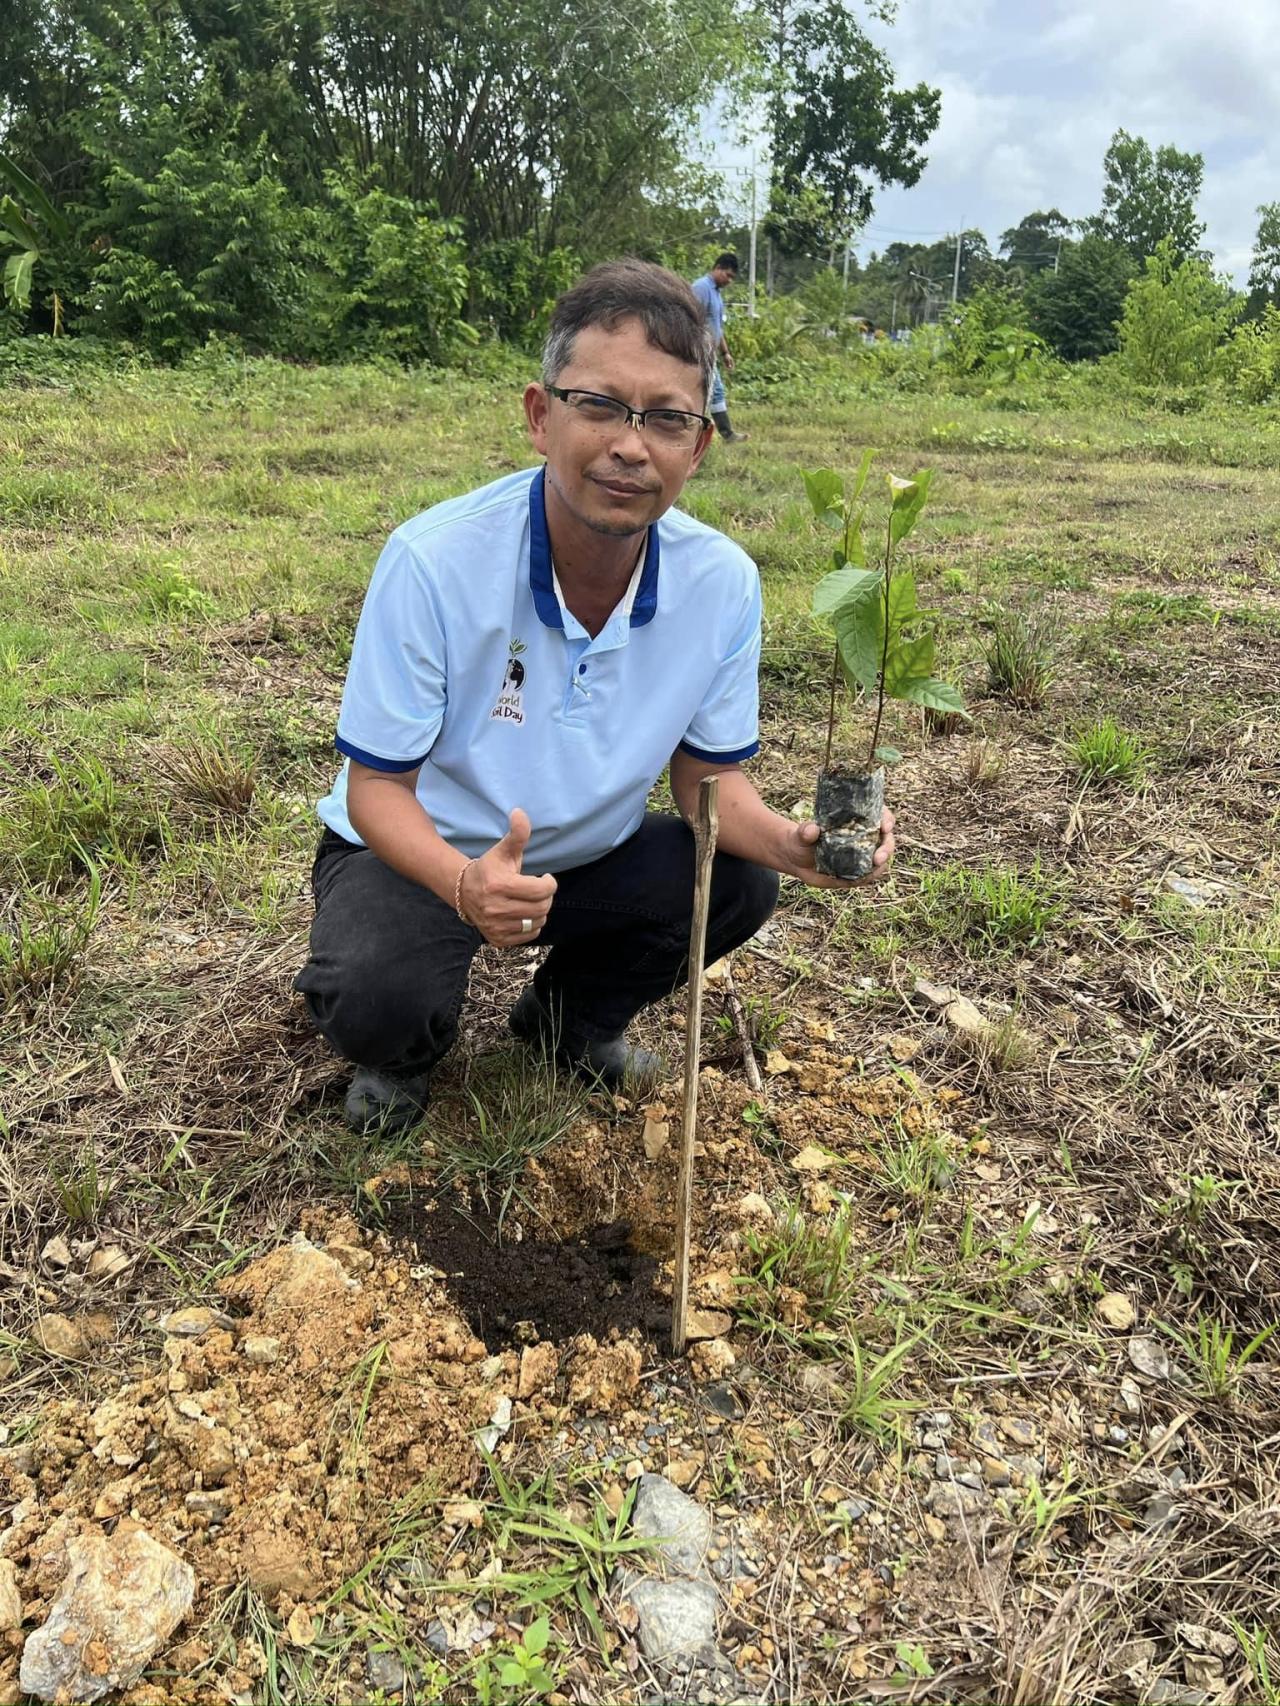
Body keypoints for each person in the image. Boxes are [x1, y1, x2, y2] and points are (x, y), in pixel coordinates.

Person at [294, 259, 894, 1133]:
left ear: (698, 445)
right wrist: (466, 886)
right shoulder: (435, 562)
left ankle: (567, 1026)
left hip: (586, 858)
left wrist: (796, 846)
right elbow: (375, 789)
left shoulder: (720, 583)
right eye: (601, 405)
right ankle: (402, 1056)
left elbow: (706, 783)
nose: (629, 443)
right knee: (376, 990)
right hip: (423, 854)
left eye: (665, 418)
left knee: (736, 881)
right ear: (542, 416)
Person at [691, 252, 747, 443]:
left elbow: (717, 327)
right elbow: (690, 320)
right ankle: (725, 434)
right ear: (718, 268)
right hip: (698, 351)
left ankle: (723, 433)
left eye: (732, 277)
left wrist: (725, 352)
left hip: (710, 352)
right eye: (728, 275)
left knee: (713, 392)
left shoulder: (716, 293)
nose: (729, 281)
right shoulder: (701, 288)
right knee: (713, 391)